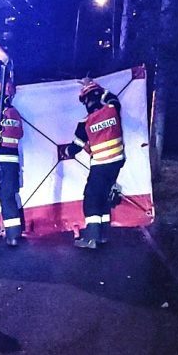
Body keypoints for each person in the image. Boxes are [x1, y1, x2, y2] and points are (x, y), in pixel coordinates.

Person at [59, 79, 125, 249]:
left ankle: (92, 238)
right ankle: (102, 234)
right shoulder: (112, 109)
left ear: (87, 101)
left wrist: (64, 152)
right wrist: (99, 87)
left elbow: (74, 148)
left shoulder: (85, 122)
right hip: (117, 162)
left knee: (92, 198)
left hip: (101, 164)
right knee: (103, 196)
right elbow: (113, 98)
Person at [0, 80, 26, 246]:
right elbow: (19, 134)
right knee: (8, 198)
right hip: (12, 163)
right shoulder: (15, 114)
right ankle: (13, 235)